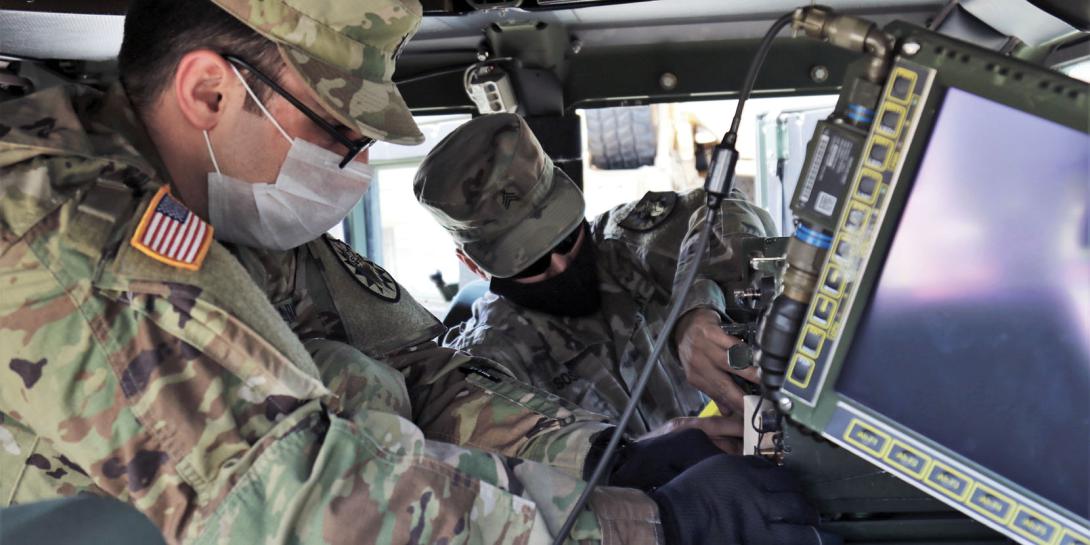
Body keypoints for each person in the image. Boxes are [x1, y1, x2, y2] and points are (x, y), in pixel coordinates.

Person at [0, 1, 826, 544]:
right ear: (210, 93)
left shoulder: (232, 210)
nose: (352, 167)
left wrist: (611, 456)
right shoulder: (77, 242)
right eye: (336, 133)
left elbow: (416, 373)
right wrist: (658, 524)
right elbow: (300, 508)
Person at [415, 113, 776, 443]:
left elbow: (724, 212)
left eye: (567, 238)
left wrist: (695, 309)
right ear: (475, 266)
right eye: (529, 263)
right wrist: (645, 456)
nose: (561, 266)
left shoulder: (623, 245)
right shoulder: (493, 362)